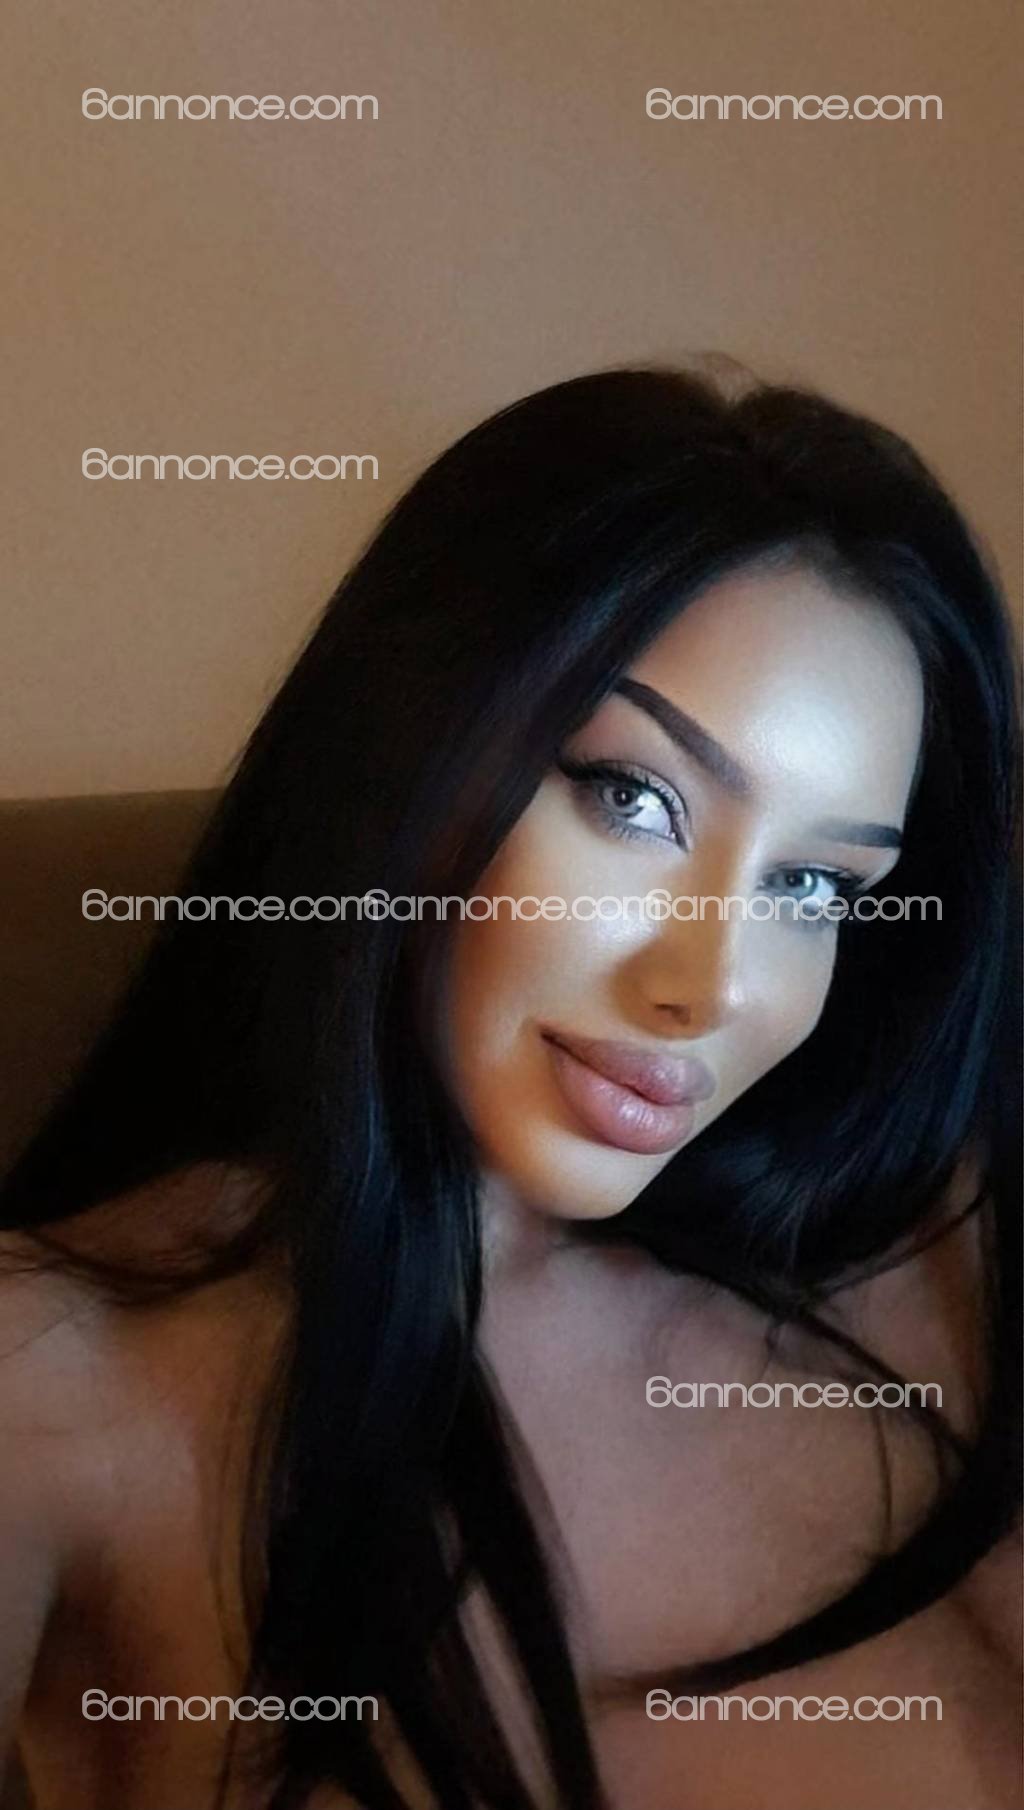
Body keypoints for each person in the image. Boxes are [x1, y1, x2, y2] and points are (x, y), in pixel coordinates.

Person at [1, 365, 1019, 1810]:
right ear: (406, 739)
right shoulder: (57, 1374)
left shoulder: (942, 1261)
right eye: (634, 799)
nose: (711, 985)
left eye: (812, 886)